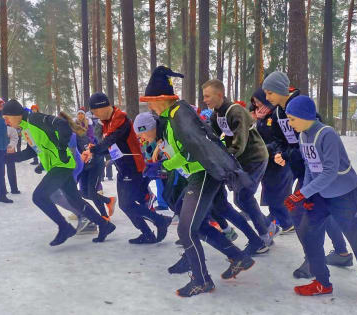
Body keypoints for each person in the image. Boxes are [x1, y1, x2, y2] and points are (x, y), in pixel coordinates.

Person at [141, 66, 254, 297]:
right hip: (198, 174)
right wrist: (164, 160)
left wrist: (165, 165)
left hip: (203, 174)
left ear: (162, 99)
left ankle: (201, 280)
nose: (149, 106)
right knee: (193, 221)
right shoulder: (174, 114)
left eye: (150, 101)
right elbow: (188, 147)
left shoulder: (179, 115)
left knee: (185, 230)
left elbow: (193, 151)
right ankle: (238, 256)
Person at [284, 96, 357, 308]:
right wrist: (307, 195)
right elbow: (309, 167)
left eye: (292, 118)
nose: (290, 123)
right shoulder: (303, 136)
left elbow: (330, 172)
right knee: (308, 233)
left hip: (345, 195)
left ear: (305, 116)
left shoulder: (327, 134)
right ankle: (322, 282)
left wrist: (302, 193)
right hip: (321, 196)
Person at [262, 71, 353, 278]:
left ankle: (313, 260)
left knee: (301, 212)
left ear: (280, 89)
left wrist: (290, 153)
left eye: (269, 92)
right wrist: (279, 153)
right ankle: (341, 252)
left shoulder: (301, 104)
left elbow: (314, 133)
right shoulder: (277, 112)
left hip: (313, 170)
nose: (267, 97)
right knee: (322, 211)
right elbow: (280, 139)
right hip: (298, 166)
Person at [2, 99, 115, 246]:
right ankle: (105, 225)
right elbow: (32, 151)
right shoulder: (25, 129)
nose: (6, 122)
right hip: (58, 166)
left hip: (62, 165)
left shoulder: (35, 118)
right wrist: (8, 158)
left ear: (15, 114)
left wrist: (62, 149)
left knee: (39, 196)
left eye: (6, 118)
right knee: (75, 201)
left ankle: (64, 227)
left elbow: (63, 125)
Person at [88, 92, 172, 244]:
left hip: (133, 168)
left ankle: (160, 220)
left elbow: (110, 140)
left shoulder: (121, 119)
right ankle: (148, 233)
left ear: (102, 107)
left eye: (94, 111)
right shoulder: (108, 122)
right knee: (126, 206)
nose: (94, 115)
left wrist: (94, 149)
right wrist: (95, 150)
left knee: (127, 204)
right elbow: (112, 146)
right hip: (123, 168)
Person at [203, 79, 277, 247]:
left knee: (244, 196)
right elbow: (214, 137)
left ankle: (265, 235)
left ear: (219, 95)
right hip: (241, 160)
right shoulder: (217, 115)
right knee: (239, 200)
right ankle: (268, 226)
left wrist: (225, 158)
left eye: (208, 96)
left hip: (256, 158)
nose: (205, 100)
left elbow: (239, 142)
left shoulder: (235, 111)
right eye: (204, 97)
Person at [250, 88, 293, 233]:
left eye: (258, 102)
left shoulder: (276, 115)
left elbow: (280, 139)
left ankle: (287, 221)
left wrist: (263, 147)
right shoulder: (261, 116)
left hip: (278, 159)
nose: (256, 105)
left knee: (279, 192)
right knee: (270, 191)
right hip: (267, 160)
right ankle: (276, 216)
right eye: (254, 103)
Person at [133, 112, 169, 211]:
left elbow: (174, 156)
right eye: (139, 136)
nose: (142, 138)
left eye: (142, 135)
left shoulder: (165, 133)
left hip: (173, 168)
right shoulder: (155, 137)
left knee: (169, 191)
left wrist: (161, 165)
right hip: (160, 164)